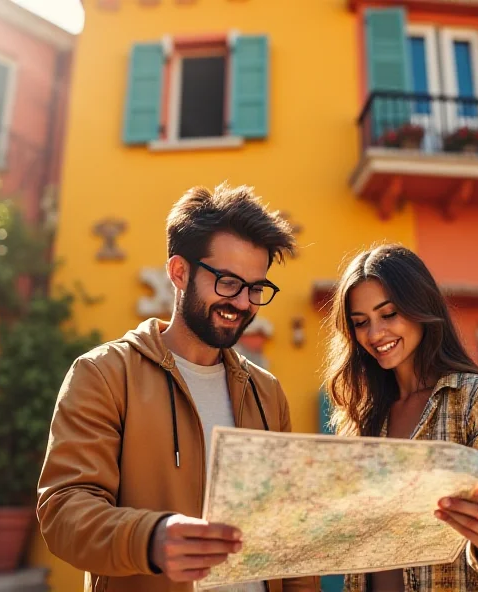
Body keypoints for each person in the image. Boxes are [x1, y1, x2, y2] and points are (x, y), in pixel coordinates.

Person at [37, 183, 319, 592]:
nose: (242, 303)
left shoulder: (267, 392)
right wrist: (150, 538)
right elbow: (63, 511)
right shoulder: (104, 373)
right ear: (179, 272)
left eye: (256, 288)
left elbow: (289, 527)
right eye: (227, 282)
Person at [323, 244, 478, 591]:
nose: (375, 335)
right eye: (361, 323)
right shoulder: (359, 416)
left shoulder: (473, 397)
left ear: (420, 307)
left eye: (388, 315)